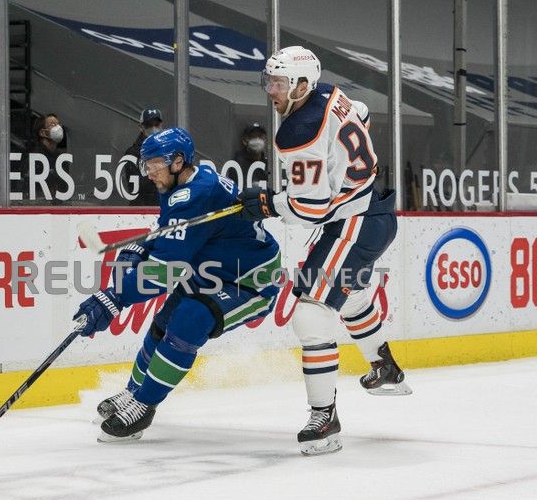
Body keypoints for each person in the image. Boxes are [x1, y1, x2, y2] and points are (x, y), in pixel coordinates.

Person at [238, 46, 411, 456]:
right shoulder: (330, 92)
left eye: (279, 84)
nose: (271, 91)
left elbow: (310, 210)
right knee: (349, 297)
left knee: (310, 314)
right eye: (269, 82)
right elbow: (362, 114)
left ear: (302, 85)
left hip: (353, 223)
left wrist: (267, 204)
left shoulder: (298, 131)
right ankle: (385, 367)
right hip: (372, 212)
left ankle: (325, 418)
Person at [74, 127, 281, 442]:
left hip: (250, 279)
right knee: (163, 326)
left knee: (188, 322)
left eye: (156, 164)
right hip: (211, 270)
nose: (149, 172)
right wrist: (144, 247)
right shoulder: (182, 183)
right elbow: (173, 231)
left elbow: (165, 273)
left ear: (178, 161)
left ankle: (144, 405)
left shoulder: (196, 193)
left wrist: (115, 297)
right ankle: (134, 391)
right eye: (147, 164)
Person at [120, 108, 163, 205]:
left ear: (161, 125)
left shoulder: (167, 150)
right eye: (149, 125)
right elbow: (139, 187)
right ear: (141, 127)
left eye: (156, 124)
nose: (153, 128)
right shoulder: (132, 153)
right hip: (142, 209)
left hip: (164, 208)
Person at [26, 113, 67, 203]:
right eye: (53, 124)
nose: (58, 127)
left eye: (58, 124)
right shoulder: (35, 157)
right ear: (43, 132)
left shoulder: (60, 156)